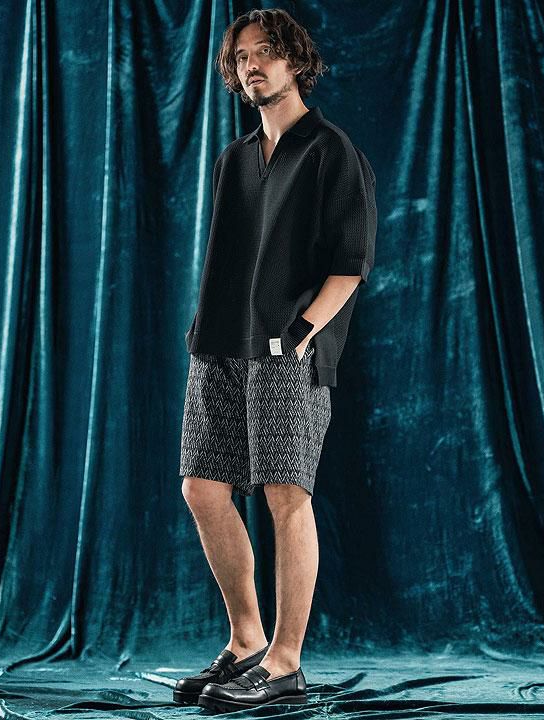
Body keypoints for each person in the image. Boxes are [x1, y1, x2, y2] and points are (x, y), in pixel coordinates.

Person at [174, 7, 377, 713]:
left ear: (296, 61)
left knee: (286, 496)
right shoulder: (234, 159)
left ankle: (285, 663)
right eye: (241, 58)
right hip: (219, 344)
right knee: (203, 489)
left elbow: (351, 263)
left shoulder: (331, 151)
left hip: (288, 350)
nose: (251, 66)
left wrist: (302, 333)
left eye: (265, 53)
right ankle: (245, 641)